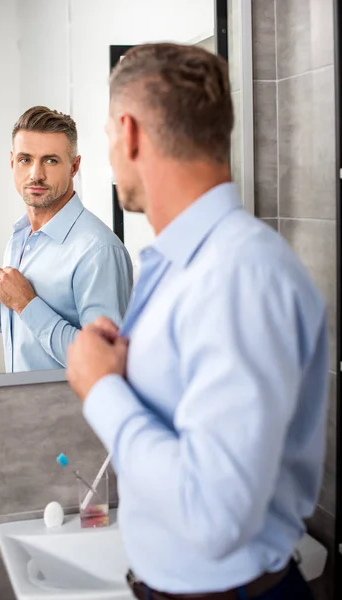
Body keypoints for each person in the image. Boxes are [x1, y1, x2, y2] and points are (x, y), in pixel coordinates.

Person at [66, 43, 328, 600]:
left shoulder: (239, 274)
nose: (111, 153)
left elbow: (213, 516)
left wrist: (102, 389)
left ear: (129, 132)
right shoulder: (178, 268)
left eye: (108, 135)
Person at [0, 106, 133, 373]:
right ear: (12, 163)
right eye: (26, 159)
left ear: (74, 167)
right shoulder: (20, 237)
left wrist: (28, 304)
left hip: (68, 414)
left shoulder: (98, 251)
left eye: (50, 160)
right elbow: (26, 334)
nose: (35, 174)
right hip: (23, 410)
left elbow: (104, 363)